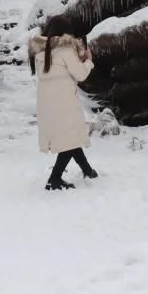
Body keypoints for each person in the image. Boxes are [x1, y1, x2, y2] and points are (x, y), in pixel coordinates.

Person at [29, 20, 97, 190]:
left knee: (70, 137)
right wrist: (88, 60)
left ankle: (87, 170)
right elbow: (80, 74)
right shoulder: (66, 51)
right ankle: (54, 178)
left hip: (47, 106)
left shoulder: (41, 53)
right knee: (70, 139)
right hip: (64, 104)